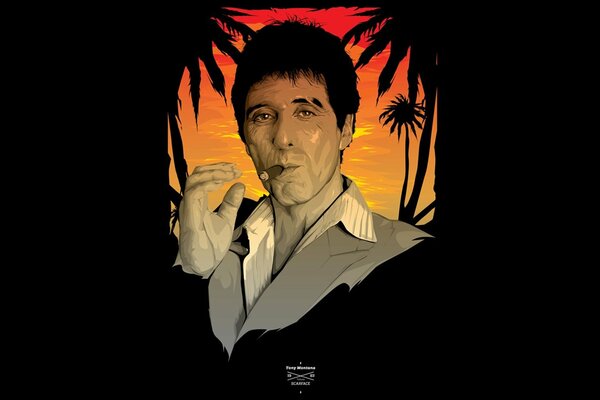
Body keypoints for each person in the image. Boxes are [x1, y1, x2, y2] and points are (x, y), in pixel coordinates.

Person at [172, 20, 438, 393]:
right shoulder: (212, 250)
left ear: (346, 129)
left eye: (306, 113)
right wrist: (193, 274)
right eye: (263, 116)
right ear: (245, 138)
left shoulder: (410, 258)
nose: (283, 138)